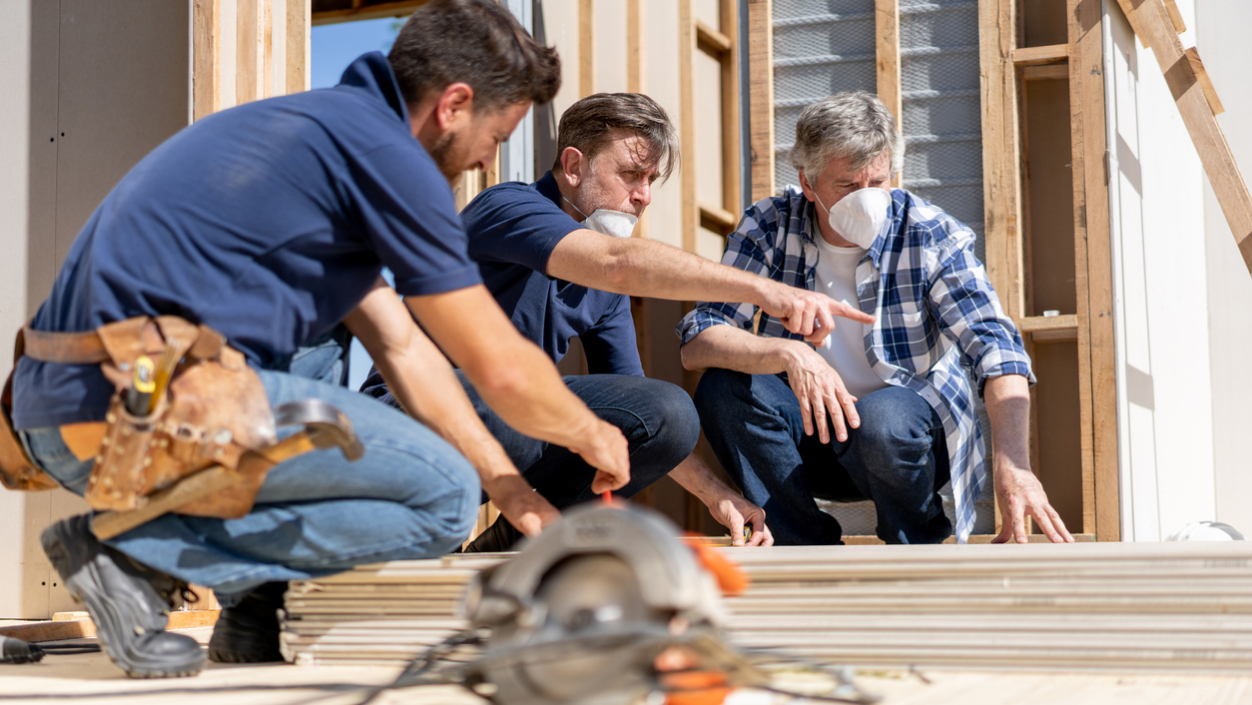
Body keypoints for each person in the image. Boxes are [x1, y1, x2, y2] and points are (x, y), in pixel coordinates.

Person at [8, 0, 632, 678]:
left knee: (324, 338)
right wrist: (590, 431)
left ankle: (251, 607)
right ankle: (132, 554)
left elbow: (404, 348)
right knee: (442, 497)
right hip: (126, 406)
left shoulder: (319, 138)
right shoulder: (386, 154)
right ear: (453, 104)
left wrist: (511, 489)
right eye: (495, 133)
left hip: (72, 404)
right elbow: (496, 363)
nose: (487, 162)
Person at [363, 92, 873, 552]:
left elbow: (639, 407)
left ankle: (517, 545)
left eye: (651, 180)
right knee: (517, 397)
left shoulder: (603, 289)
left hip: (504, 422)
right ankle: (411, 535)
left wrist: (721, 498)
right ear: (572, 165)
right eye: (631, 175)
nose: (644, 196)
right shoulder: (508, 208)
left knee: (666, 413)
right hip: (404, 415)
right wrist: (766, 290)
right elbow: (613, 260)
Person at [678, 91, 1074, 546]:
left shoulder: (929, 232)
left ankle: (917, 546)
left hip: (903, 438)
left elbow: (996, 347)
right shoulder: (769, 226)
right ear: (807, 183)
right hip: (807, 436)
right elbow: (698, 340)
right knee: (723, 388)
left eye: (878, 182)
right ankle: (802, 547)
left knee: (884, 418)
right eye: (847, 186)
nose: (866, 200)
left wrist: (1014, 463)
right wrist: (788, 353)